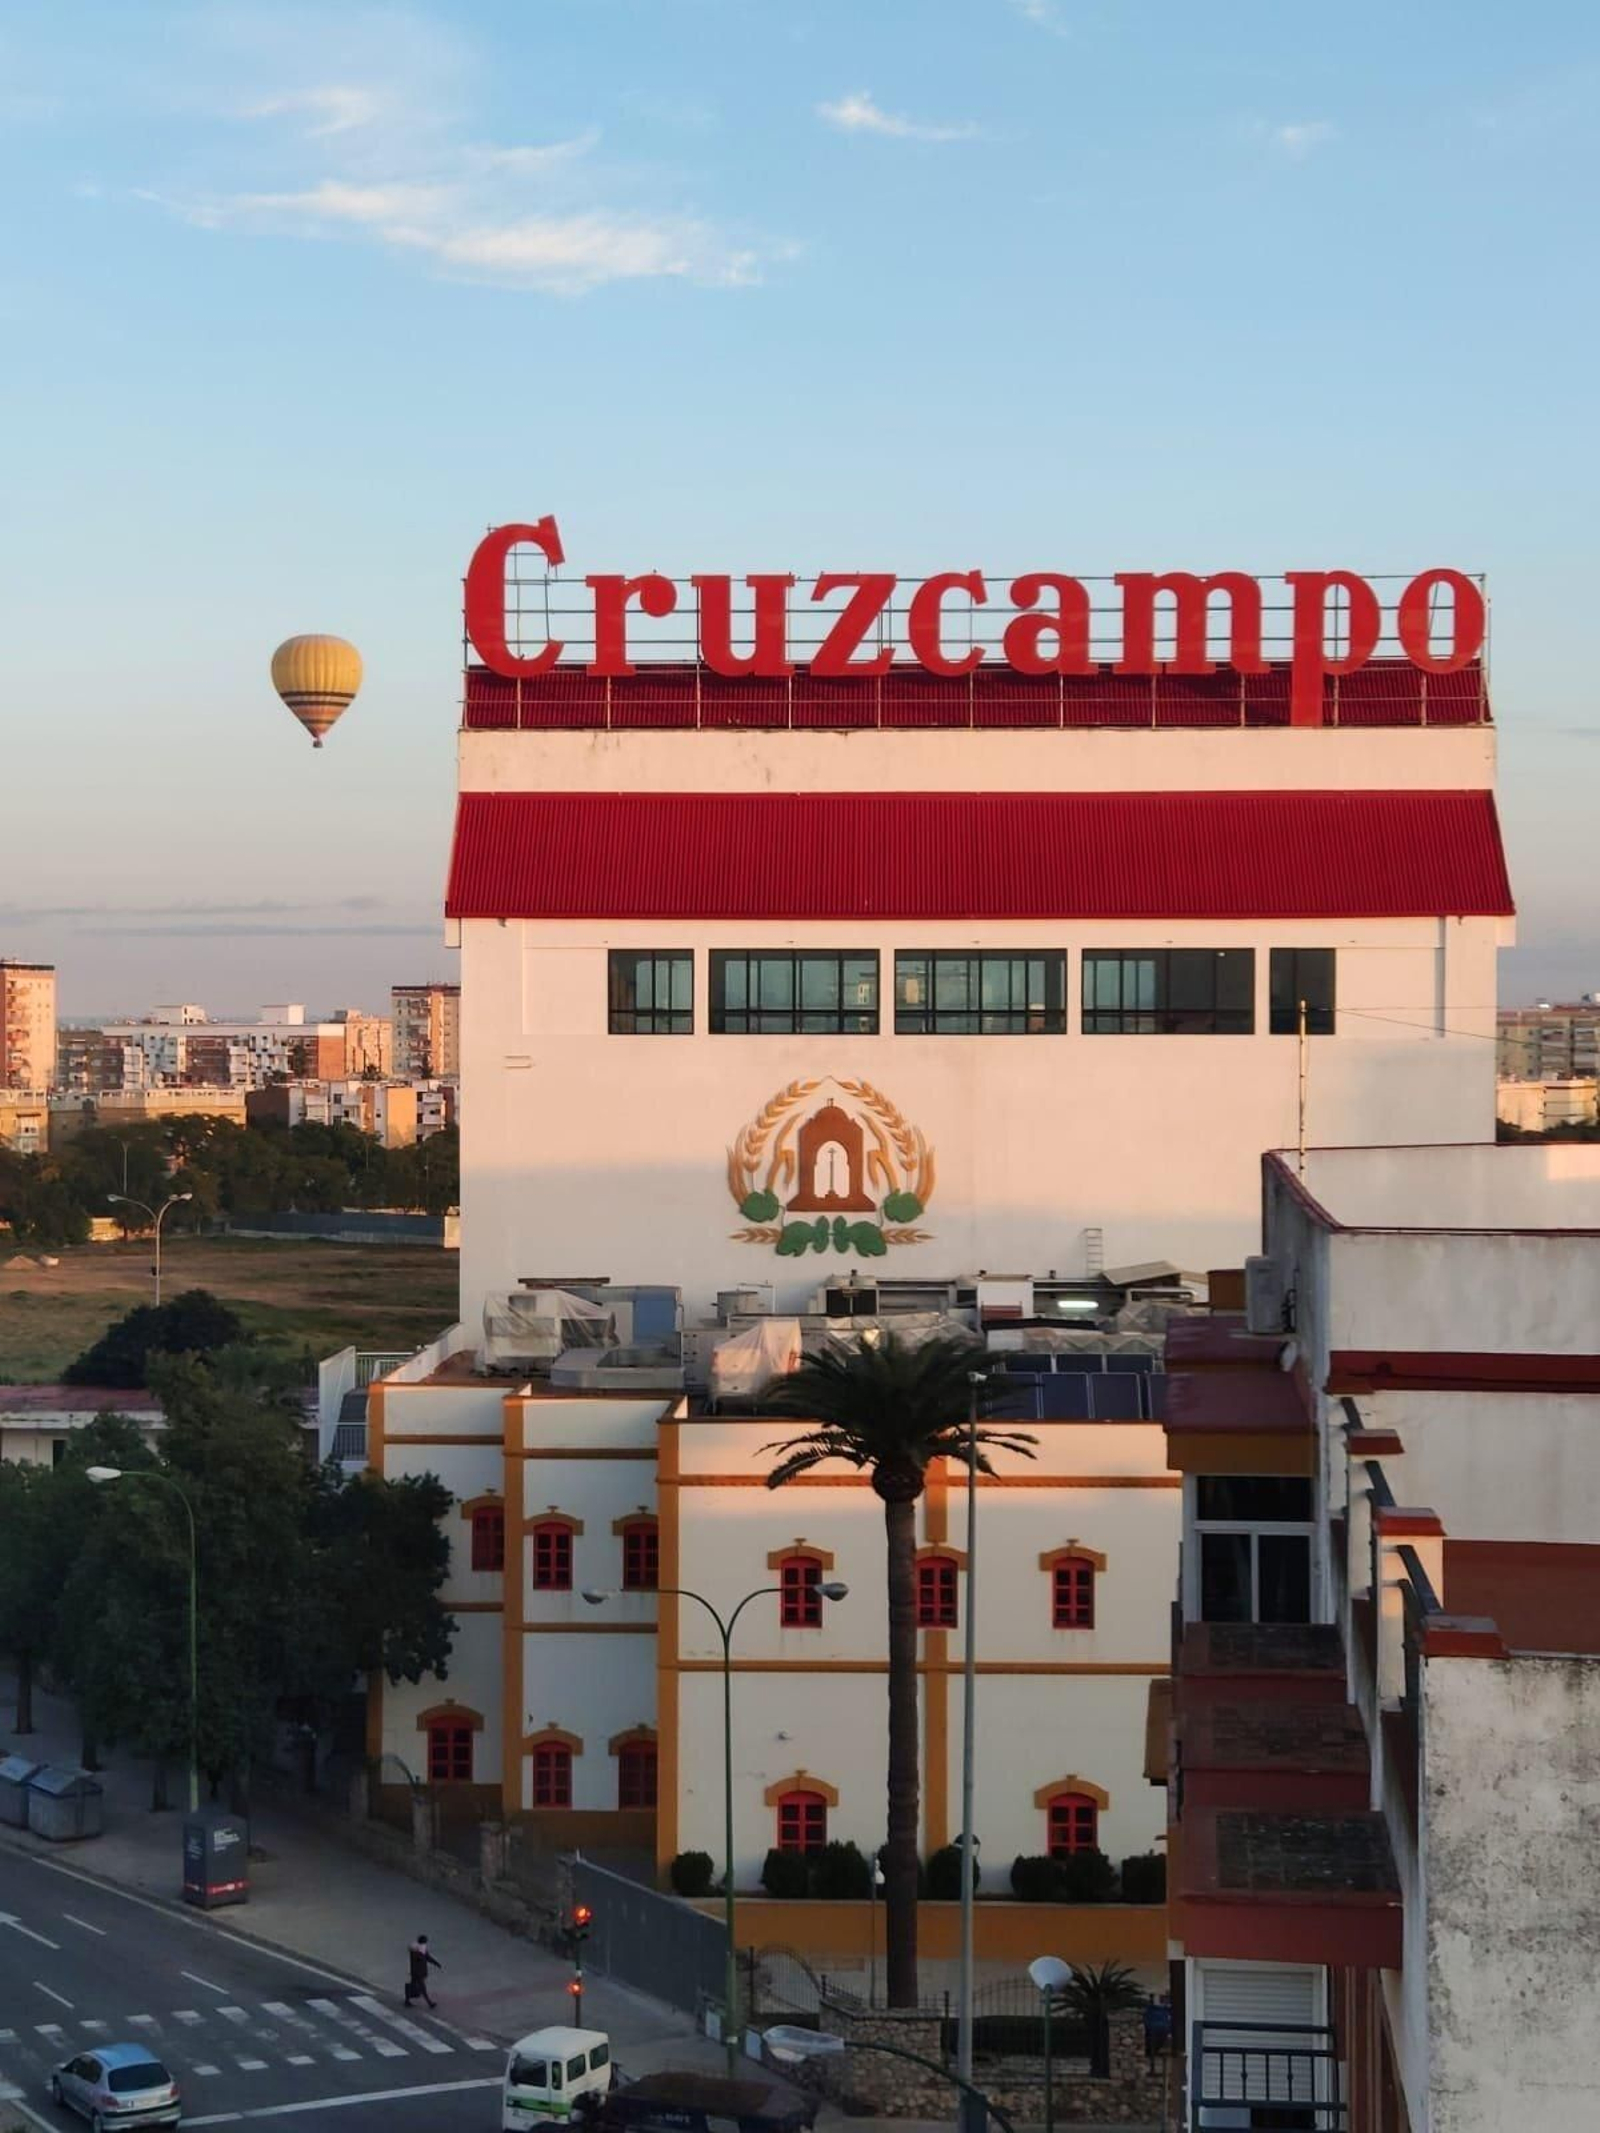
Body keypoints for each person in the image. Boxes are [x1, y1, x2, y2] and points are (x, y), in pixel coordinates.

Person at [405, 1932, 442, 2009]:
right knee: (422, 1987)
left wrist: (436, 1963)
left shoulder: (419, 1949)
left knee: (412, 1985)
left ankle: (407, 2001)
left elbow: (427, 1957)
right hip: (418, 1972)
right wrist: (436, 1963)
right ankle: (429, 2003)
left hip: (416, 1972)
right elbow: (425, 1958)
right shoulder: (418, 1950)